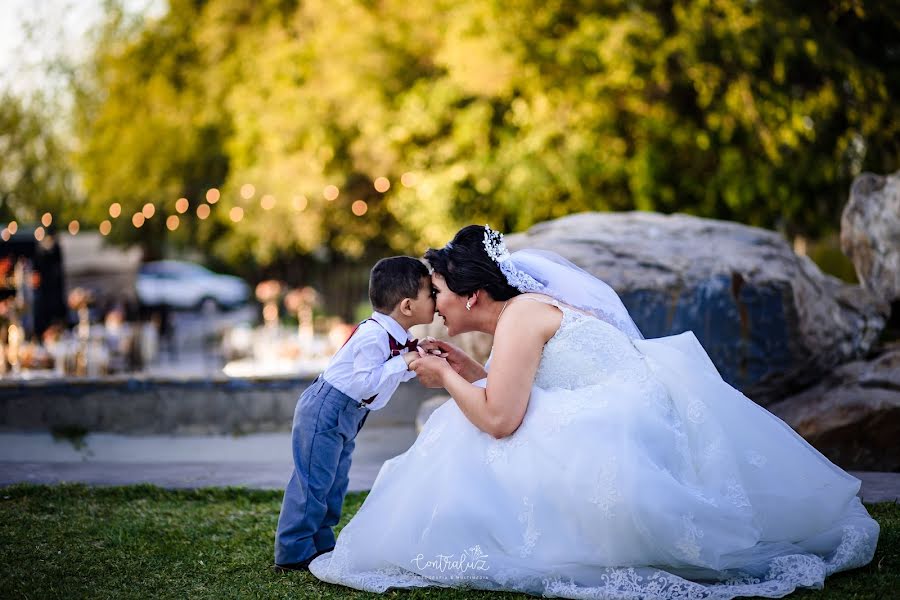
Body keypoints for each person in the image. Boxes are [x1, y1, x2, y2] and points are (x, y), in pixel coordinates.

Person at [309, 225, 880, 599]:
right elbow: (522, 388)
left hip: (618, 423)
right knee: (460, 425)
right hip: (616, 403)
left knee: (459, 431)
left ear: (473, 296)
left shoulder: (522, 317)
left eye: (439, 292)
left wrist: (444, 377)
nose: (434, 306)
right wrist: (465, 368)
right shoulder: (523, 315)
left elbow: (501, 418)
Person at [273, 256, 436, 572]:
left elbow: (388, 374)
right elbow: (364, 382)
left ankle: (320, 545)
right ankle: (292, 553)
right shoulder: (374, 335)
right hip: (326, 409)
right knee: (313, 482)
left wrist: (416, 361)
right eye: (430, 293)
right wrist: (403, 362)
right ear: (406, 306)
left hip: (348, 414)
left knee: (335, 482)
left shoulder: (396, 338)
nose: (436, 299)